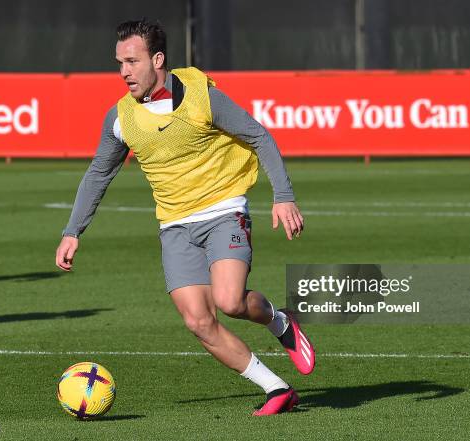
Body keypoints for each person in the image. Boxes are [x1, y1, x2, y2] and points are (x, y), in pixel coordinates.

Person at [55, 19, 315, 416]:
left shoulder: (200, 96)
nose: (123, 71)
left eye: (132, 61)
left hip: (223, 211)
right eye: (119, 62)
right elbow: (99, 173)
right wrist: (73, 230)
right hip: (174, 227)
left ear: (157, 59)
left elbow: (259, 135)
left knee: (230, 302)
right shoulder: (121, 118)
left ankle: (280, 323)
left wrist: (283, 196)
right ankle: (277, 389)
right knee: (198, 321)